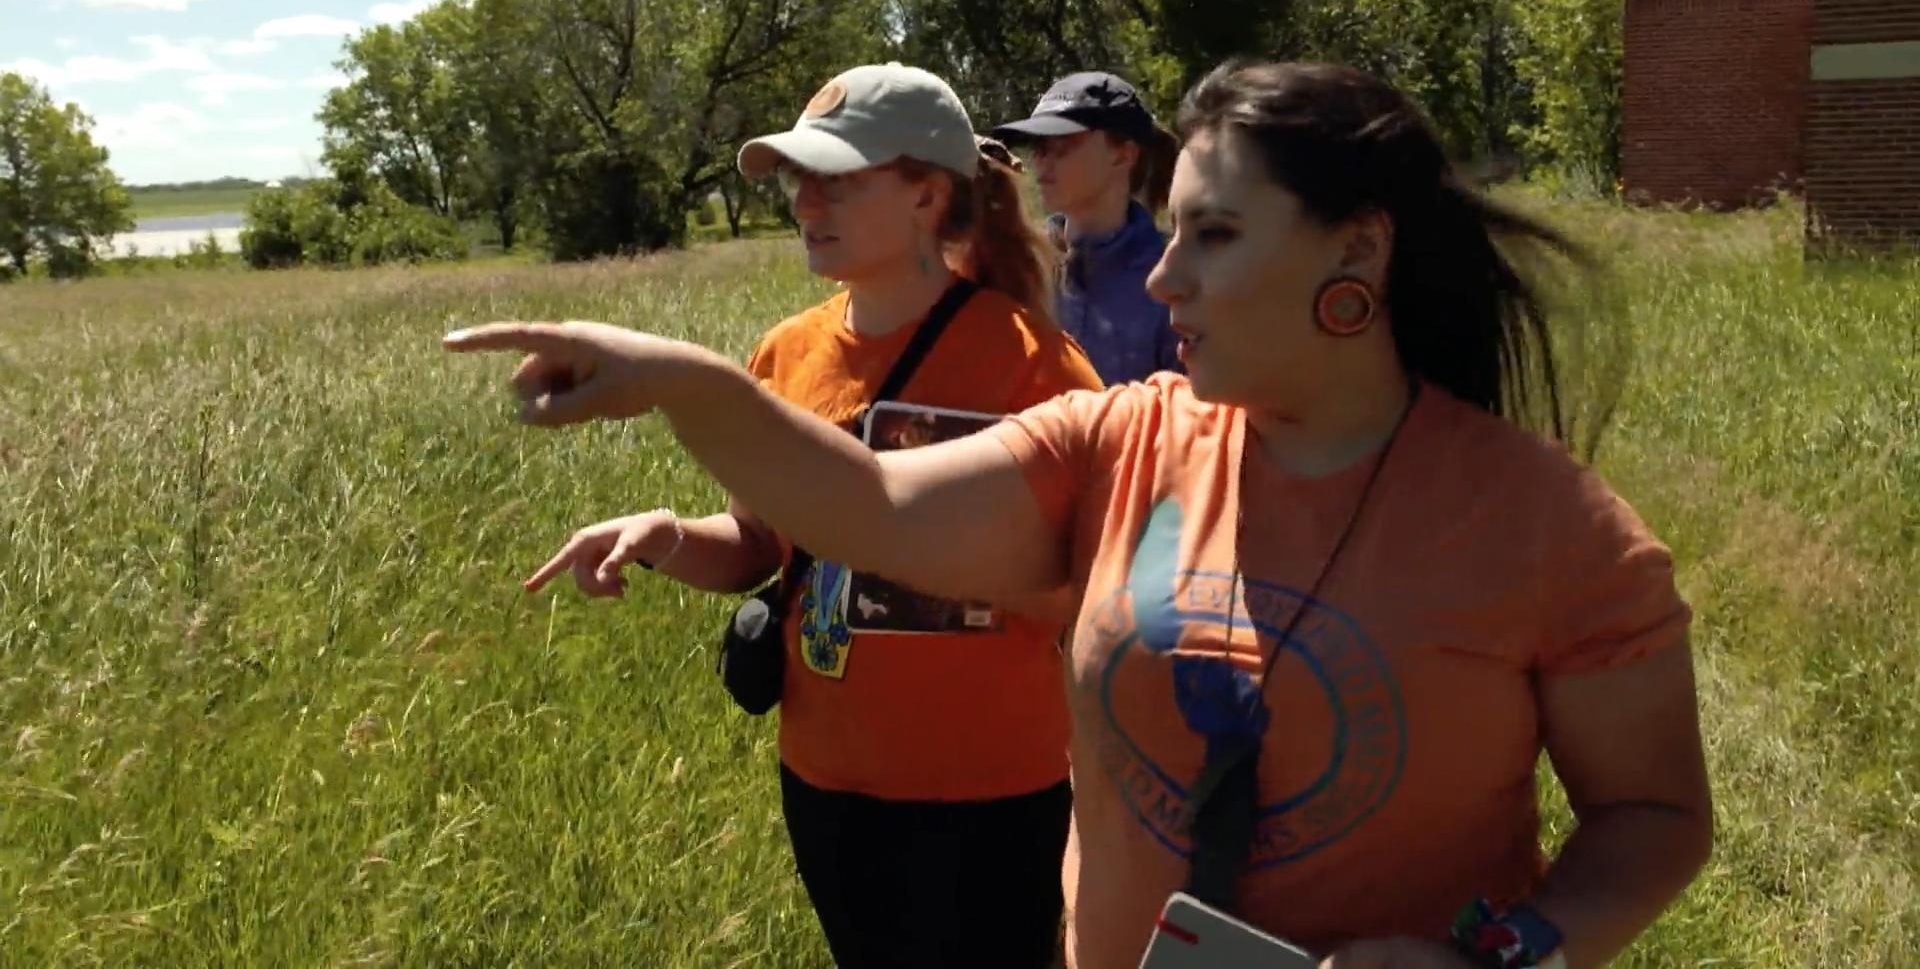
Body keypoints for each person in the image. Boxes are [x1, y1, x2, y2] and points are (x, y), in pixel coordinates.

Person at [446, 60, 1714, 969]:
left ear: (1358, 255)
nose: (1164, 277)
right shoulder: (1121, 439)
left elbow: (1653, 820)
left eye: (1212, 236)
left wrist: (1505, 954)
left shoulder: (1553, 531)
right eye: (1174, 232)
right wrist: (687, 381)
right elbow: (873, 505)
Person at [508, 64, 1102, 968]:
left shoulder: (1035, 365)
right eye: (797, 177)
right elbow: (757, 545)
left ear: (925, 193)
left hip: (994, 785)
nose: (805, 202)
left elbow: (1092, 589)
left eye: (840, 177)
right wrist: (663, 536)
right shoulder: (788, 352)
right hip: (827, 778)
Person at [989, 70, 1184, 385]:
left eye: (1062, 142)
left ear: (1123, 154)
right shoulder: (1017, 265)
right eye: (1038, 145)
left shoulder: (1174, 280)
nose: (1041, 160)